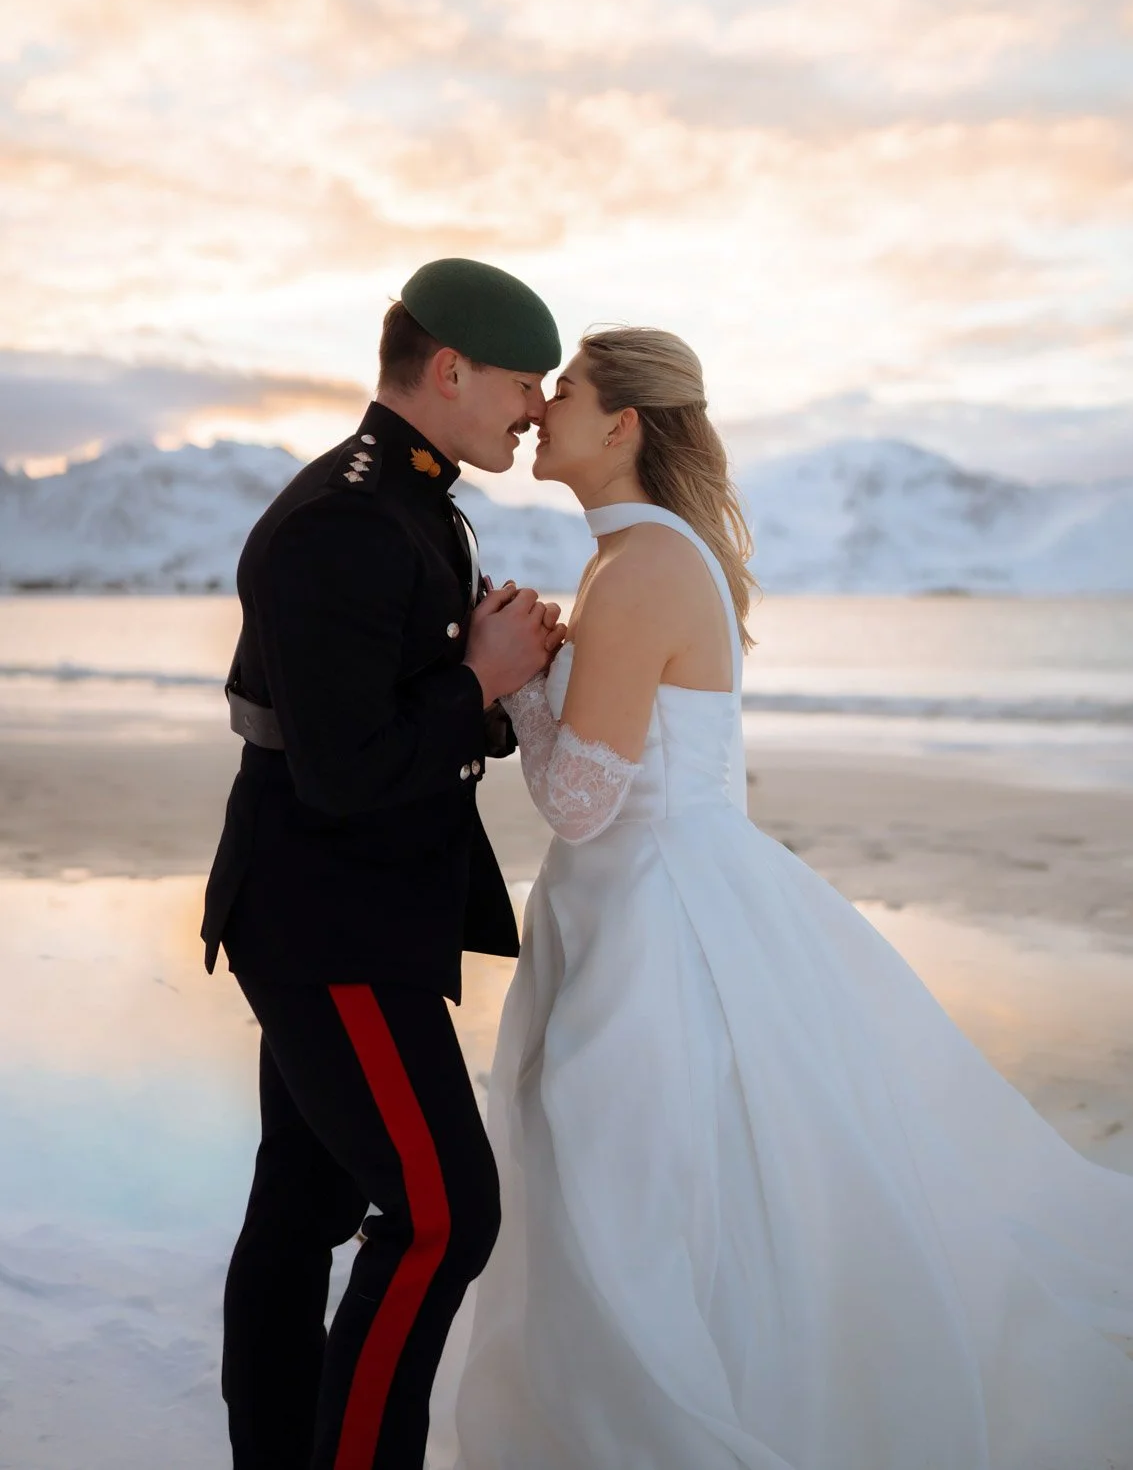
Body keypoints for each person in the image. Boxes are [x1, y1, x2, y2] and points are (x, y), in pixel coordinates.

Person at [449, 326, 1133, 1470]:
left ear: (620, 424)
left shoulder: (643, 565)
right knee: (654, 1185)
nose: (541, 405)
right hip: (641, 900)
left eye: (563, 387)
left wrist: (509, 680)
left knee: (626, 1196)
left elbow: (577, 800)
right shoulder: (632, 556)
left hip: (658, 921)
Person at [200, 257, 568, 1470]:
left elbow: (374, 710)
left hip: (353, 908)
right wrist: (483, 678)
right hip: (332, 918)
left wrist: (481, 674)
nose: (535, 402)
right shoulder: (353, 516)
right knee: (441, 1215)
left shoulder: (411, 500)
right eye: (523, 380)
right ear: (451, 368)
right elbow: (345, 770)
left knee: (302, 1209)